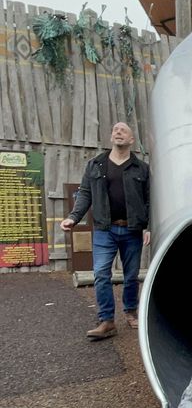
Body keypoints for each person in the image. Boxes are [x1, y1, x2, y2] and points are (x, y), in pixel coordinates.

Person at [60, 122, 150, 339]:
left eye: (124, 130)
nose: (118, 132)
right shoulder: (96, 165)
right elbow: (84, 194)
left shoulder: (141, 168)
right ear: (111, 138)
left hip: (132, 230)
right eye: (115, 130)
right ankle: (107, 321)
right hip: (104, 229)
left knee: (130, 276)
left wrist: (149, 226)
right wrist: (73, 217)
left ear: (131, 140)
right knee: (101, 274)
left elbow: (149, 200)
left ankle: (130, 312)